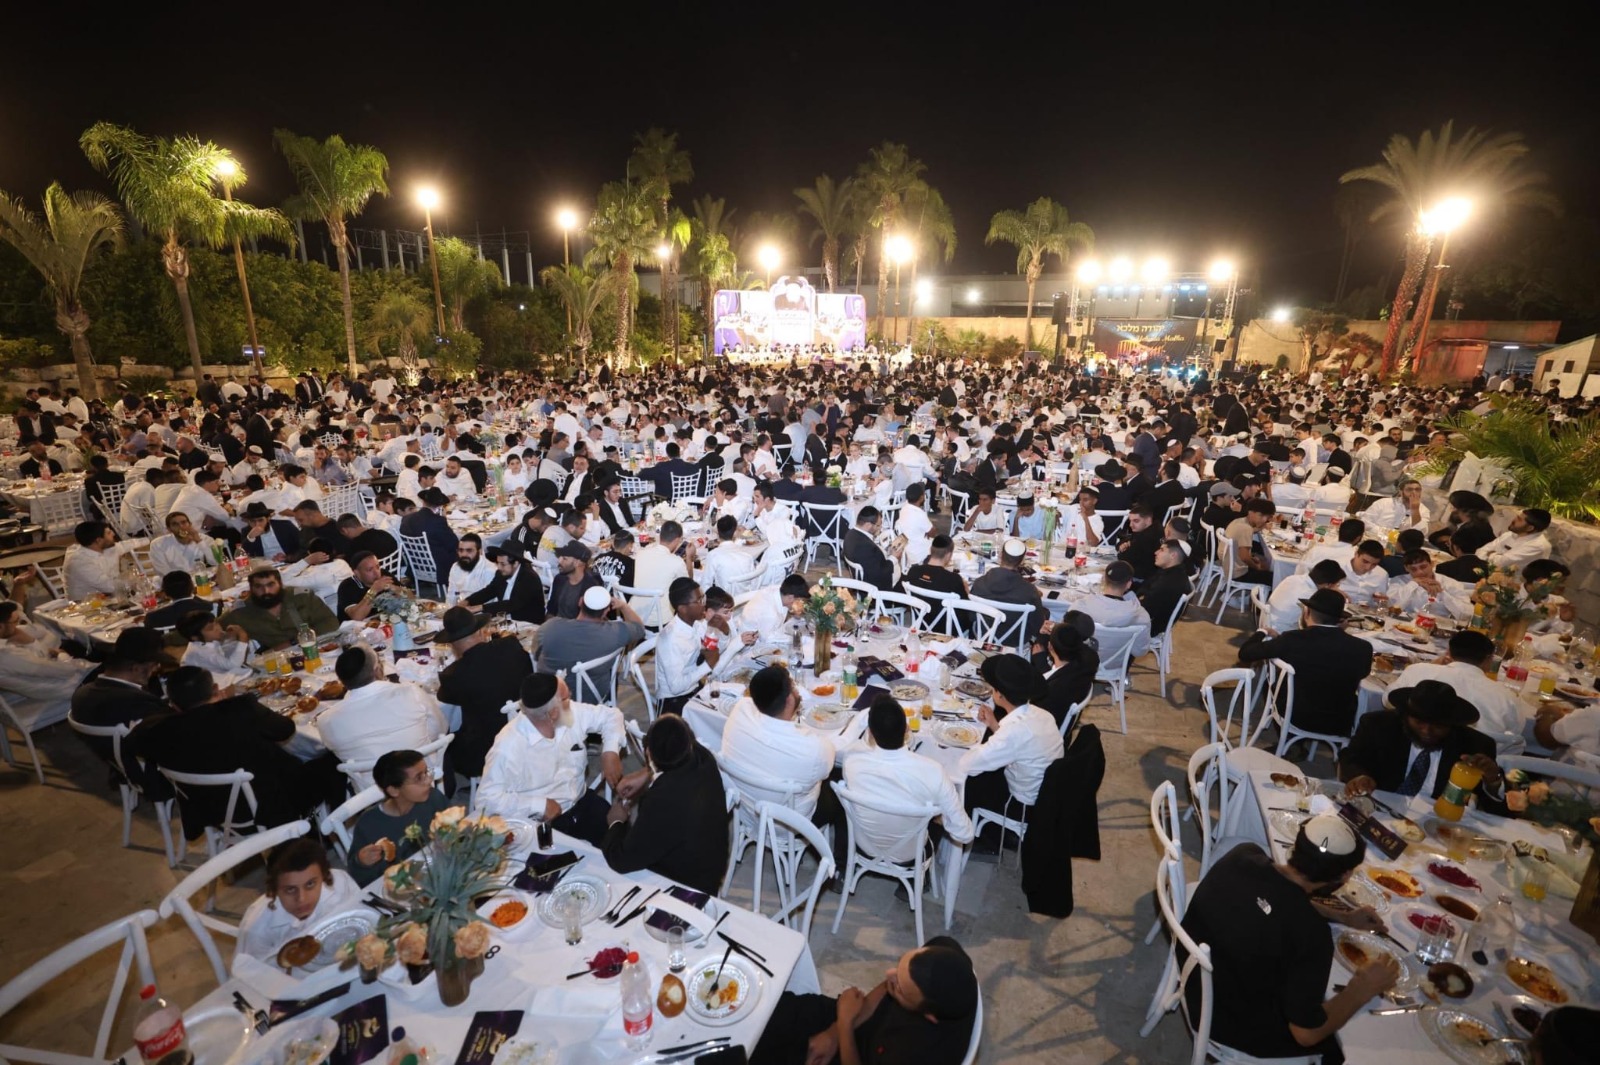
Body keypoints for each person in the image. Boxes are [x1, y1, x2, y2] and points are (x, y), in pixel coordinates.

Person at [1180, 817, 1397, 1062]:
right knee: (1342, 1046)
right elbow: (1306, 1034)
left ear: (1296, 845)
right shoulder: (1311, 935)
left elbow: (1278, 896)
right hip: (1225, 1024)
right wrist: (1361, 988)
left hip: (1193, 976)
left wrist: (1342, 916)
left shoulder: (1243, 855)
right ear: (1345, 875)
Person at [128, 666, 346, 838]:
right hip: (272, 804)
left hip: (213, 811)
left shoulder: (159, 733)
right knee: (332, 758)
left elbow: (133, 741)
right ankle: (331, 830)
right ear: (215, 690)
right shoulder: (240, 709)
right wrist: (225, 704)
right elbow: (285, 729)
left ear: (173, 704)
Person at [752, 937, 978, 1065]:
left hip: (857, 1054)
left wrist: (845, 1027)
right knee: (766, 1009)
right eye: (899, 967)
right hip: (855, 1019)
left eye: (899, 987)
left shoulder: (920, 1056)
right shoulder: (945, 953)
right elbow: (887, 987)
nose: (889, 975)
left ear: (929, 1015)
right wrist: (834, 1032)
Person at [720, 664, 846, 879]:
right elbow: (829, 759)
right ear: (789, 700)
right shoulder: (813, 748)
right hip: (791, 824)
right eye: (794, 687)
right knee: (841, 783)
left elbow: (748, 702)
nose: (797, 691)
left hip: (749, 810)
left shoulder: (739, 711)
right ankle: (841, 866)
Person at [475, 672, 628, 844]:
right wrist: (538, 805)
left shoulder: (570, 713)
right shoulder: (508, 747)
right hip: (540, 822)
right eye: (567, 697)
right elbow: (486, 801)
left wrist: (610, 751)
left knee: (624, 843)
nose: (571, 698)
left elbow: (611, 716)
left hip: (581, 802)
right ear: (553, 713)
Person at [599, 715, 729, 896]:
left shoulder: (662, 801)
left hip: (686, 887)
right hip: (711, 863)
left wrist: (616, 822)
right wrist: (647, 773)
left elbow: (621, 860)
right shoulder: (704, 758)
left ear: (648, 754)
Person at [1340, 679, 1508, 811]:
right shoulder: (1378, 725)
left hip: (1439, 820)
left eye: (1438, 726)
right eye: (1419, 722)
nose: (1427, 731)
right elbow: (1351, 757)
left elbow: (1497, 812)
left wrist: (1493, 781)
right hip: (1381, 808)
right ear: (1406, 716)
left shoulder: (1475, 745)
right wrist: (1358, 776)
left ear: (1452, 725)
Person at [1238, 588, 1373, 740]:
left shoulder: (1292, 639)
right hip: (1338, 723)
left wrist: (1262, 631)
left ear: (1306, 612)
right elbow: (1362, 673)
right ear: (1340, 619)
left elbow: (1245, 653)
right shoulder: (1363, 648)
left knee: (1271, 684)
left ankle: (1290, 740)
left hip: (1296, 717)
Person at [957, 654, 1064, 845]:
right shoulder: (1042, 714)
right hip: (1045, 792)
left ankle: (960, 834)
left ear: (999, 695)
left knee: (960, 782)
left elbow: (967, 765)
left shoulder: (1013, 733)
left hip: (1021, 804)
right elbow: (1019, 744)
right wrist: (994, 725)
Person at [843, 695, 974, 845]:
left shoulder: (852, 761)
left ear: (870, 733)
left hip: (864, 847)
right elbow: (965, 834)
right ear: (906, 729)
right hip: (912, 854)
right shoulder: (933, 772)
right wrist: (940, 818)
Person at [314, 644, 449, 788]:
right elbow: (441, 729)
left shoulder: (326, 720)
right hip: (422, 779)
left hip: (372, 792)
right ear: (377, 670)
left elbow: (336, 752)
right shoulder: (410, 692)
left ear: (342, 682)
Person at [434, 607, 534, 779]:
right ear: (481, 632)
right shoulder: (510, 645)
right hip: (528, 730)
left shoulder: (453, 675)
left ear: (452, 645)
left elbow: (444, 699)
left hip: (486, 751)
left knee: (443, 742)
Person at [234, 838, 363, 962]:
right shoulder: (258, 928)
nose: (302, 899)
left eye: (310, 884)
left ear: (324, 876)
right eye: (290, 890)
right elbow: (254, 971)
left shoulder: (340, 882)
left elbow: (362, 914)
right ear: (274, 889)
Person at [346, 749, 451, 887]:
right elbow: (357, 878)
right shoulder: (369, 824)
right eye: (419, 778)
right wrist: (362, 862)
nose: (428, 780)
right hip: (402, 886)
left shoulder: (433, 798)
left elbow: (455, 832)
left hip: (441, 872)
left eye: (426, 772)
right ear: (394, 790)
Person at [0, 602, 93, 732]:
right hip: (63, 685)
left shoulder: (8, 642)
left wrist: (31, 643)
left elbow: (42, 633)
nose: (17, 626)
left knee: (73, 645)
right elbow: (65, 671)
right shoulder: (7, 655)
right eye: (15, 622)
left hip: (45, 678)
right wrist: (61, 655)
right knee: (104, 659)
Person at [534, 585, 646, 693]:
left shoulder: (550, 627)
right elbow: (640, 628)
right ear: (606, 611)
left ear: (580, 602)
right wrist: (624, 606)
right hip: (590, 696)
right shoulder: (616, 633)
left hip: (549, 695)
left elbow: (535, 653)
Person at [220, 567, 339, 649]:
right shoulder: (241, 610)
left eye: (270, 585)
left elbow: (331, 622)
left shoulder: (302, 596)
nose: (266, 591)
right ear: (251, 589)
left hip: (314, 648)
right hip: (276, 660)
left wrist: (296, 641)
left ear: (280, 584)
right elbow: (214, 628)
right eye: (258, 586)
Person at [656, 577, 715, 716]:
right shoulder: (671, 640)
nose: (704, 605)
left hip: (694, 688)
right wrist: (707, 665)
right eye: (699, 601)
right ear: (682, 609)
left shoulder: (695, 623)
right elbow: (676, 687)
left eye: (703, 598)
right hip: (673, 701)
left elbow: (710, 647)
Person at [970, 538, 1047, 640]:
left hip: (982, 635)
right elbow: (1037, 626)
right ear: (1022, 561)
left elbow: (971, 616)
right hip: (1015, 640)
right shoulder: (1029, 591)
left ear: (1000, 555)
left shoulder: (979, 583)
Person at [1072, 560, 1152, 655]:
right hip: (1116, 663)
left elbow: (1067, 639)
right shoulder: (1141, 616)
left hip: (1083, 660)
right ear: (1129, 584)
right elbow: (1139, 652)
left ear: (1103, 579)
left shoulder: (1081, 606)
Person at [632, 520, 696, 628]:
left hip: (635, 614)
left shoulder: (641, 553)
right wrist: (689, 558)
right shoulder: (676, 562)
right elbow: (688, 586)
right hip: (660, 620)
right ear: (677, 540)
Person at [63, 520, 148, 600]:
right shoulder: (79, 562)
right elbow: (109, 586)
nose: (113, 534)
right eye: (109, 533)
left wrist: (151, 540)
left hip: (110, 597)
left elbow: (128, 544)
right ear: (98, 540)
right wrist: (136, 582)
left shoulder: (105, 548)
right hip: (86, 604)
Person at [462, 546, 547, 623]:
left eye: (503, 564)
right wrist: (468, 601)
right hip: (505, 620)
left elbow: (513, 604)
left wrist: (481, 608)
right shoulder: (502, 573)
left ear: (516, 563)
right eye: (498, 563)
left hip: (527, 623)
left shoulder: (529, 578)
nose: (499, 567)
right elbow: (490, 590)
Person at [1037, 622, 1097, 728]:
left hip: (1046, 729)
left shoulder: (1050, 691)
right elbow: (1085, 650)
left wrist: (1040, 661)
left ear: (1050, 647)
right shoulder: (1090, 662)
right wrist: (1061, 632)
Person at [1386, 549, 1474, 621]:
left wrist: (1443, 594)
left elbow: (1467, 615)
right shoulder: (1398, 581)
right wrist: (1413, 584)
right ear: (1406, 569)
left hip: (1441, 627)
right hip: (1405, 624)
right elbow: (1390, 607)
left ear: (1432, 564)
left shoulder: (1450, 583)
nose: (1420, 572)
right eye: (1413, 569)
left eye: (1423, 567)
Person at [399, 486, 459, 589]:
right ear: (440, 506)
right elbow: (454, 544)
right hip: (438, 566)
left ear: (423, 502)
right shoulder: (438, 521)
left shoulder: (406, 519)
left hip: (416, 564)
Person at [175, 610, 254, 689]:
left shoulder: (205, 640)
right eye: (211, 628)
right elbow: (232, 665)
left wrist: (228, 637)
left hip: (213, 672)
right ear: (195, 637)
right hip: (201, 684)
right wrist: (243, 638)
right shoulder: (201, 651)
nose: (218, 628)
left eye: (216, 623)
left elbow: (222, 649)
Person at [1265, 559, 1346, 635]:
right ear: (1328, 585)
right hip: (1279, 632)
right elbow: (1317, 624)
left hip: (1268, 622)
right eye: (1337, 584)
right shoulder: (1311, 595)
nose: (1337, 588)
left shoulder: (1293, 578)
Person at [1137, 538, 1192, 637]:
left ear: (1173, 555)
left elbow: (1143, 610)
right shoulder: (1173, 572)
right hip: (1149, 618)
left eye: (1162, 550)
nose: (1156, 552)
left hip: (1147, 628)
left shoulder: (1169, 582)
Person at [1476, 507, 1554, 571]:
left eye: (1519, 519)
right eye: (1517, 517)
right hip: (1487, 572)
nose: (1514, 520)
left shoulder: (1538, 546)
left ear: (1530, 528)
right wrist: (1495, 556)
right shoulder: (1509, 534)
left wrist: (1490, 554)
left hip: (1512, 583)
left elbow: (1501, 563)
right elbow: (1480, 551)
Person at [1220, 498, 1277, 585]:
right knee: (1275, 577)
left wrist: (1253, 559)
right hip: (1238, 574)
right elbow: (1244, 557)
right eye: (1261, 515)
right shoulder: (1246, 529)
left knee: (1262, 561)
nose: (1264, 520)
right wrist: (1257, 567)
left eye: (1267, 518)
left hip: (1229, 566)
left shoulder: (1239, 521)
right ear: (1250, 512)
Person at [843, 505, 900, 590]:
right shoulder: (866, 547)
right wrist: (894, 557)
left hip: (864, 574)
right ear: (868, 525)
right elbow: (880, 573)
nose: (880, 528)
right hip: (876, 586)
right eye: (878, 525)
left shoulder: (850, 534)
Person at [148, 511, 220, 578]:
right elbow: (163, 571)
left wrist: (199, 542)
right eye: (175, 524)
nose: (181, 527)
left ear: (190, 524)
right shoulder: (158, 544)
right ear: (169, 529)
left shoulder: (205, 539)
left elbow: (216, 561)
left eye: (184, 522)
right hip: (177, 581)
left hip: (200, 577)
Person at [547, 540, 604, 619]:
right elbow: (551, 610)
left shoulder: (591, 586)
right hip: (557, 623)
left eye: (564, 558)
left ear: (578, 563)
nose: (559, 561)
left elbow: (591, 619)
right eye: (559, 557)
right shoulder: (559, 579)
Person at [1358, 477, 1431, 533]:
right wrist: (1383, 532)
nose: (1414, 493)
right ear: (1401, 492)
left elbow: (1421, 532)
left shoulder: (1423, 510)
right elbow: (1365, 521)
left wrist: (1415, 510)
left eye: (1417, 490)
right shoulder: (1383, 503)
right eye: (1409, 489)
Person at [1114, 502, 1162, 580]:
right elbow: (1125, 541)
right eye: (1130, 521)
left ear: (1148, 520)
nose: (1131, 525)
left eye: (1136, 521)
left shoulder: (1145, 537)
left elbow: (1123, 558)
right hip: (1151, 573)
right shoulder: (1155, 527)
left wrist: (1124, 548)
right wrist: (1124, 545)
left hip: (1142, 577)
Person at [445, 532, 495, 606]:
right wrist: (449, 610)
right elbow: (452, 594)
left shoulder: (490, 570)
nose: (464, 554)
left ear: (479, 552)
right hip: (460, 607)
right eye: (461, 550)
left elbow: (490, 601)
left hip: (480, 609)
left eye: (469, 551)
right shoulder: (456, 567)